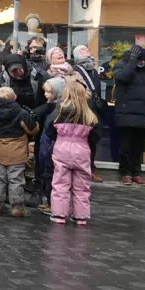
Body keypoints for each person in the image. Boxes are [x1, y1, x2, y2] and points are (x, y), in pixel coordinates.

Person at [46, 76, 101, 226]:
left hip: (62, 149)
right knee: (82, 186)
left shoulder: (59, 112)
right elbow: (96, 136)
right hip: (82, 150)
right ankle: (81, 217)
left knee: (60, 184)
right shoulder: (89, 115)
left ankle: (59, 215)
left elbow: (49, 130)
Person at [112, 44, 145, 186]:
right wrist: (132, 61)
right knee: (126, 146)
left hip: (144, 114)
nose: (142, 62)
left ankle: (137, 172)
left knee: (139, 146)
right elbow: (123, 77)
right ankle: (125, 173)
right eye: (140, 59)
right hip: (127, 113)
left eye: (144, 59)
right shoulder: (121, 65)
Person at [0, 86, 38, 217]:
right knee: (16, 179)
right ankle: (17, 207)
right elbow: (32, 129)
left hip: (1, 150)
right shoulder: (21, 113)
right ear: (14, 98)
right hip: (17, 151)